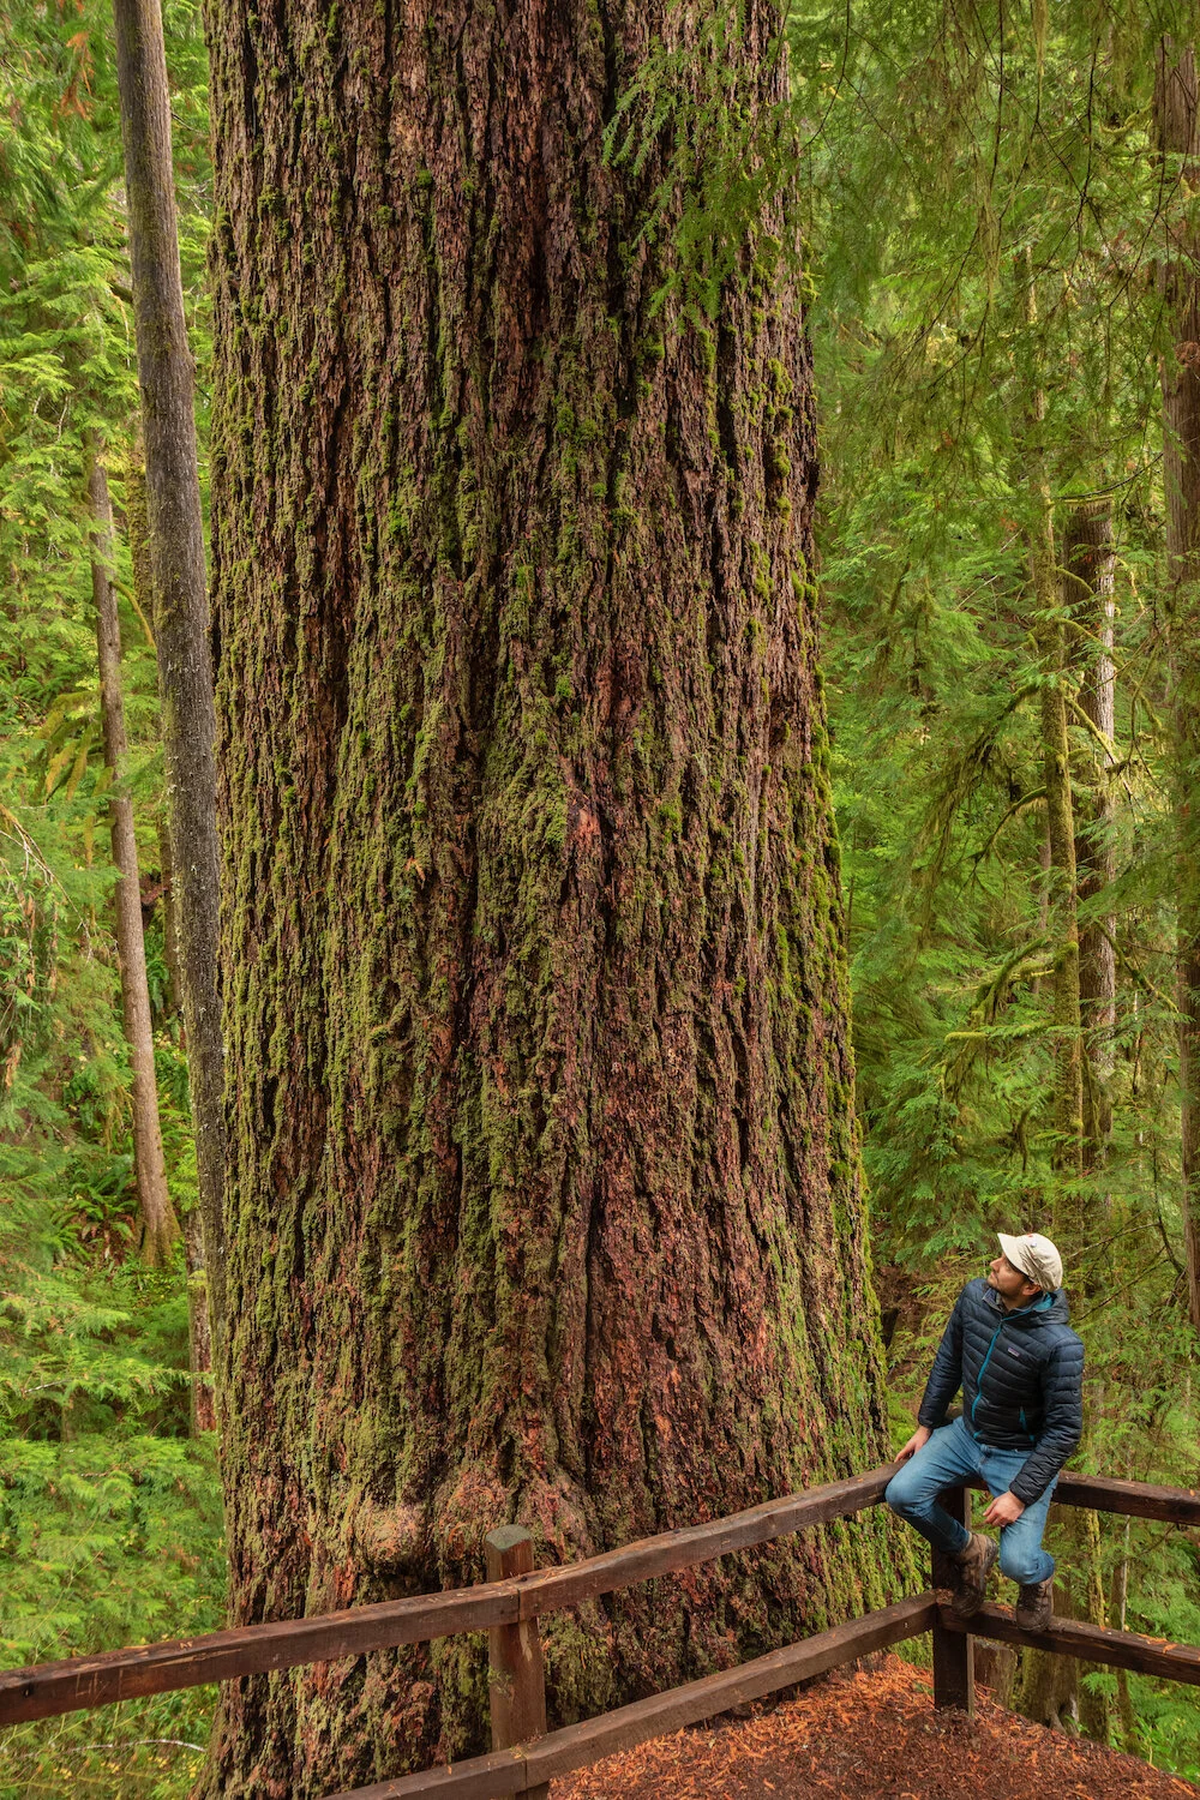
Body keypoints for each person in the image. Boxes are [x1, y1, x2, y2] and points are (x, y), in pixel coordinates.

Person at [885, 1232, 1083, 1631]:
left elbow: (1064, 1431)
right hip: (966, 1435)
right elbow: (949, 1360)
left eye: (1007, 1265)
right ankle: (971, 1550)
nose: (994, 1264)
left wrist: (1019, 1494)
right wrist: (926, 1424)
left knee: (1018, 1563)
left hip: (1019, 1454)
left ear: (1030, 1286)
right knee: (902, 1495)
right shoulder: (975, 1297)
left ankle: (1039, 1577)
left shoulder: (1060, 1346)